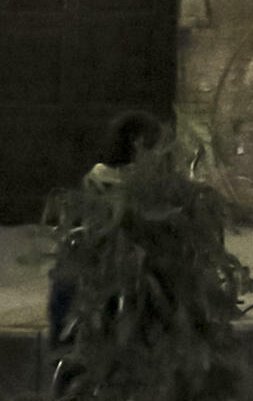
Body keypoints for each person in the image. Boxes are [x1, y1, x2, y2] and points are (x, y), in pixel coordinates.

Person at [46, 111, 169, 347]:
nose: (161, 155)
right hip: (113, 293)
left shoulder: (94, 181)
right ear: (140, 145)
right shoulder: (143, 192)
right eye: (157, 148)